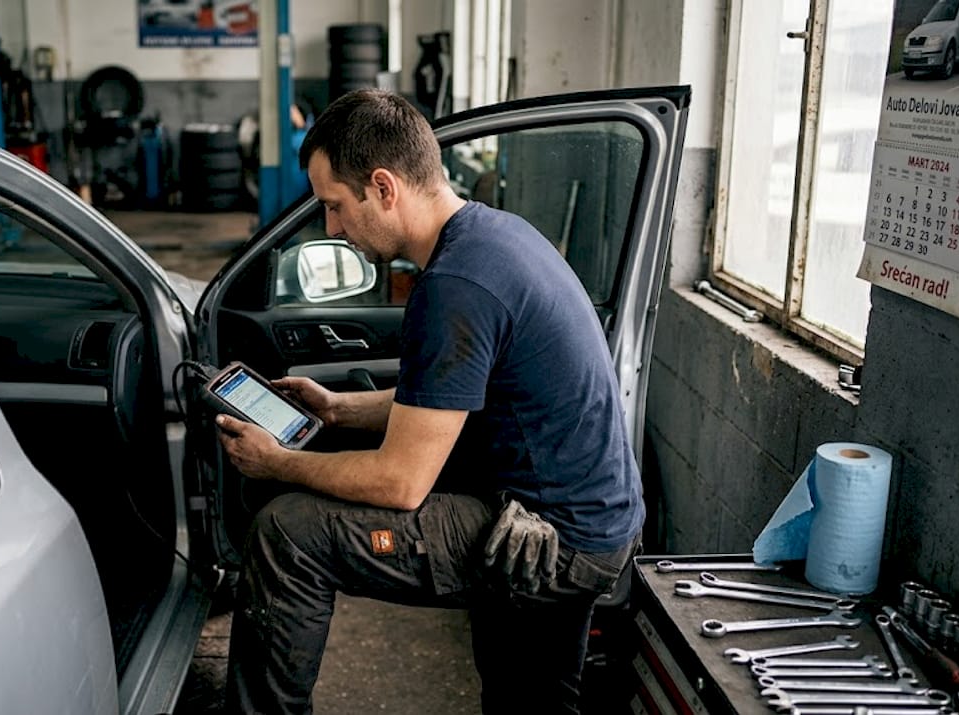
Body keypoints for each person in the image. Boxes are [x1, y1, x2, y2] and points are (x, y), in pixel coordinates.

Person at [216, 88, 645, 715]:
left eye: (335, 206)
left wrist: (277, 463)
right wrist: (337, 409)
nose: (332, 228)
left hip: (549, 537)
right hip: (592, 516)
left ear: (383, 187)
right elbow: (447, 399)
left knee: (288, 532)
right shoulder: (494, 234)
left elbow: (400, 484)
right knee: (529, 699)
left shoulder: (454, 286)